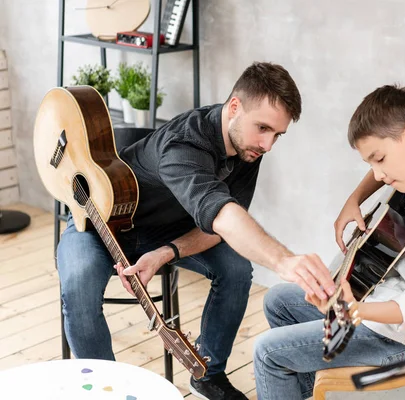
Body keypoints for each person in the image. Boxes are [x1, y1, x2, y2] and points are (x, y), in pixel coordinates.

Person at [56, 62, 336, 400]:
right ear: (234, 107)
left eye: (277, 134)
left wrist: (165, 253)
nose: (268, 144)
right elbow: (221, 212)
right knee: (79, 283)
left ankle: (209, 374)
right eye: (263, 128)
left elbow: (221, 227)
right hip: (97, 220)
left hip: (164, 232)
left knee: (236, 269)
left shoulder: (248, 148)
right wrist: (284, 261)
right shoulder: (183, 145)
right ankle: (105, 390)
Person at [253, 84, 405, 399]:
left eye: (379, 159)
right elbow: (382, 169)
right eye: (371, 164)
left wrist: (355, 309)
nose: (378, 175)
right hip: (386, 306)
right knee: (279, 300)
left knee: (268, 353)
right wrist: (354, 199)